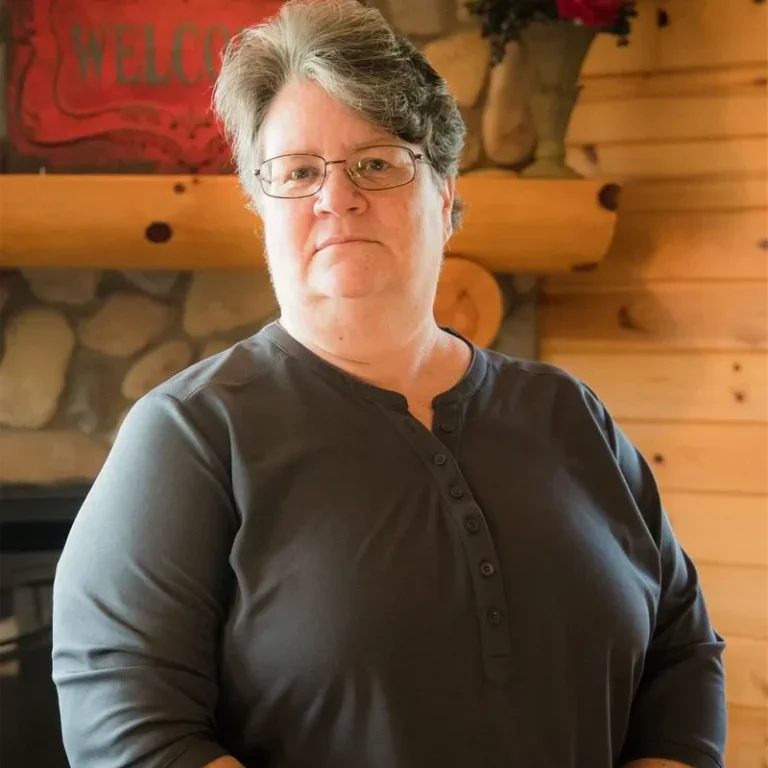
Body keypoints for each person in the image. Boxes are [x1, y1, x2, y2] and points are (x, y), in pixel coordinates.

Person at [51, 1, 727, 766]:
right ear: (261, 213)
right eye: (298, 171)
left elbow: (683, 649)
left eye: (377, 162)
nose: (335, 197)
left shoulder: (568, 414)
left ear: (443, 197)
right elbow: (130, 725)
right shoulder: (190, 436)